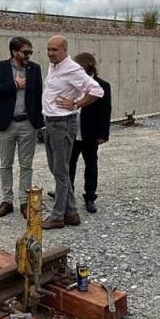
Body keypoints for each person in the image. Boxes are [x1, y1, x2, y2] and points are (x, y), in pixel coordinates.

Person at [40, 35, 104, 229]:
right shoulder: (54, 66)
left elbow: (97, 90)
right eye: (49, 49)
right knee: (57, 169)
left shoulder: (72, 69)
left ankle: (58, 216)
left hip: (63, 124)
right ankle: (72, 212)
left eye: (55, 49)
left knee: (60, 171)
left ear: (65, 49)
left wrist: (75, 104)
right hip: (51, 123)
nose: (50, 53)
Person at [0, 37, 44, 218]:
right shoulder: (0, 67)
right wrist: (14, 85)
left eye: (30, 52)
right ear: (14, 52)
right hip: (7, 123)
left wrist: (40, 120)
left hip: (28, 123)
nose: (28, 55)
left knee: (26, 164)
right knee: (5, 164)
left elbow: (39, 94)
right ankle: (7, 201)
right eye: (25, 52)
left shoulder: (34, 69)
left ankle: (25, 202)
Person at [67, 53, 111, 213]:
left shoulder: (102, 85)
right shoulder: (72, 83)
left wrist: (102, 134)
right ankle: (66, 192)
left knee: (90, 164)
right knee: (68, 164)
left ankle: (90, 196)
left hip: (90, 133)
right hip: (72, 132)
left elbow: (105, 111)